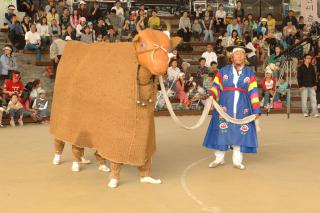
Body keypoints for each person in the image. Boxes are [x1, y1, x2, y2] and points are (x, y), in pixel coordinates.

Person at [203, 43, 260, 170]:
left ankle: (237, 161)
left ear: (244, 57)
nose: (239, 56)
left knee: (240, 132)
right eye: (236, 54)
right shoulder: (223, 72)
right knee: (221, 131)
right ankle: (219, 159)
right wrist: (210, 95)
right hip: (225, 106)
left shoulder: (250, 73)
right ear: (232, 57)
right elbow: (216, 87)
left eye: (241, 54)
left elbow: (254, 91)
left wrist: (256, 109)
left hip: (243, 106)